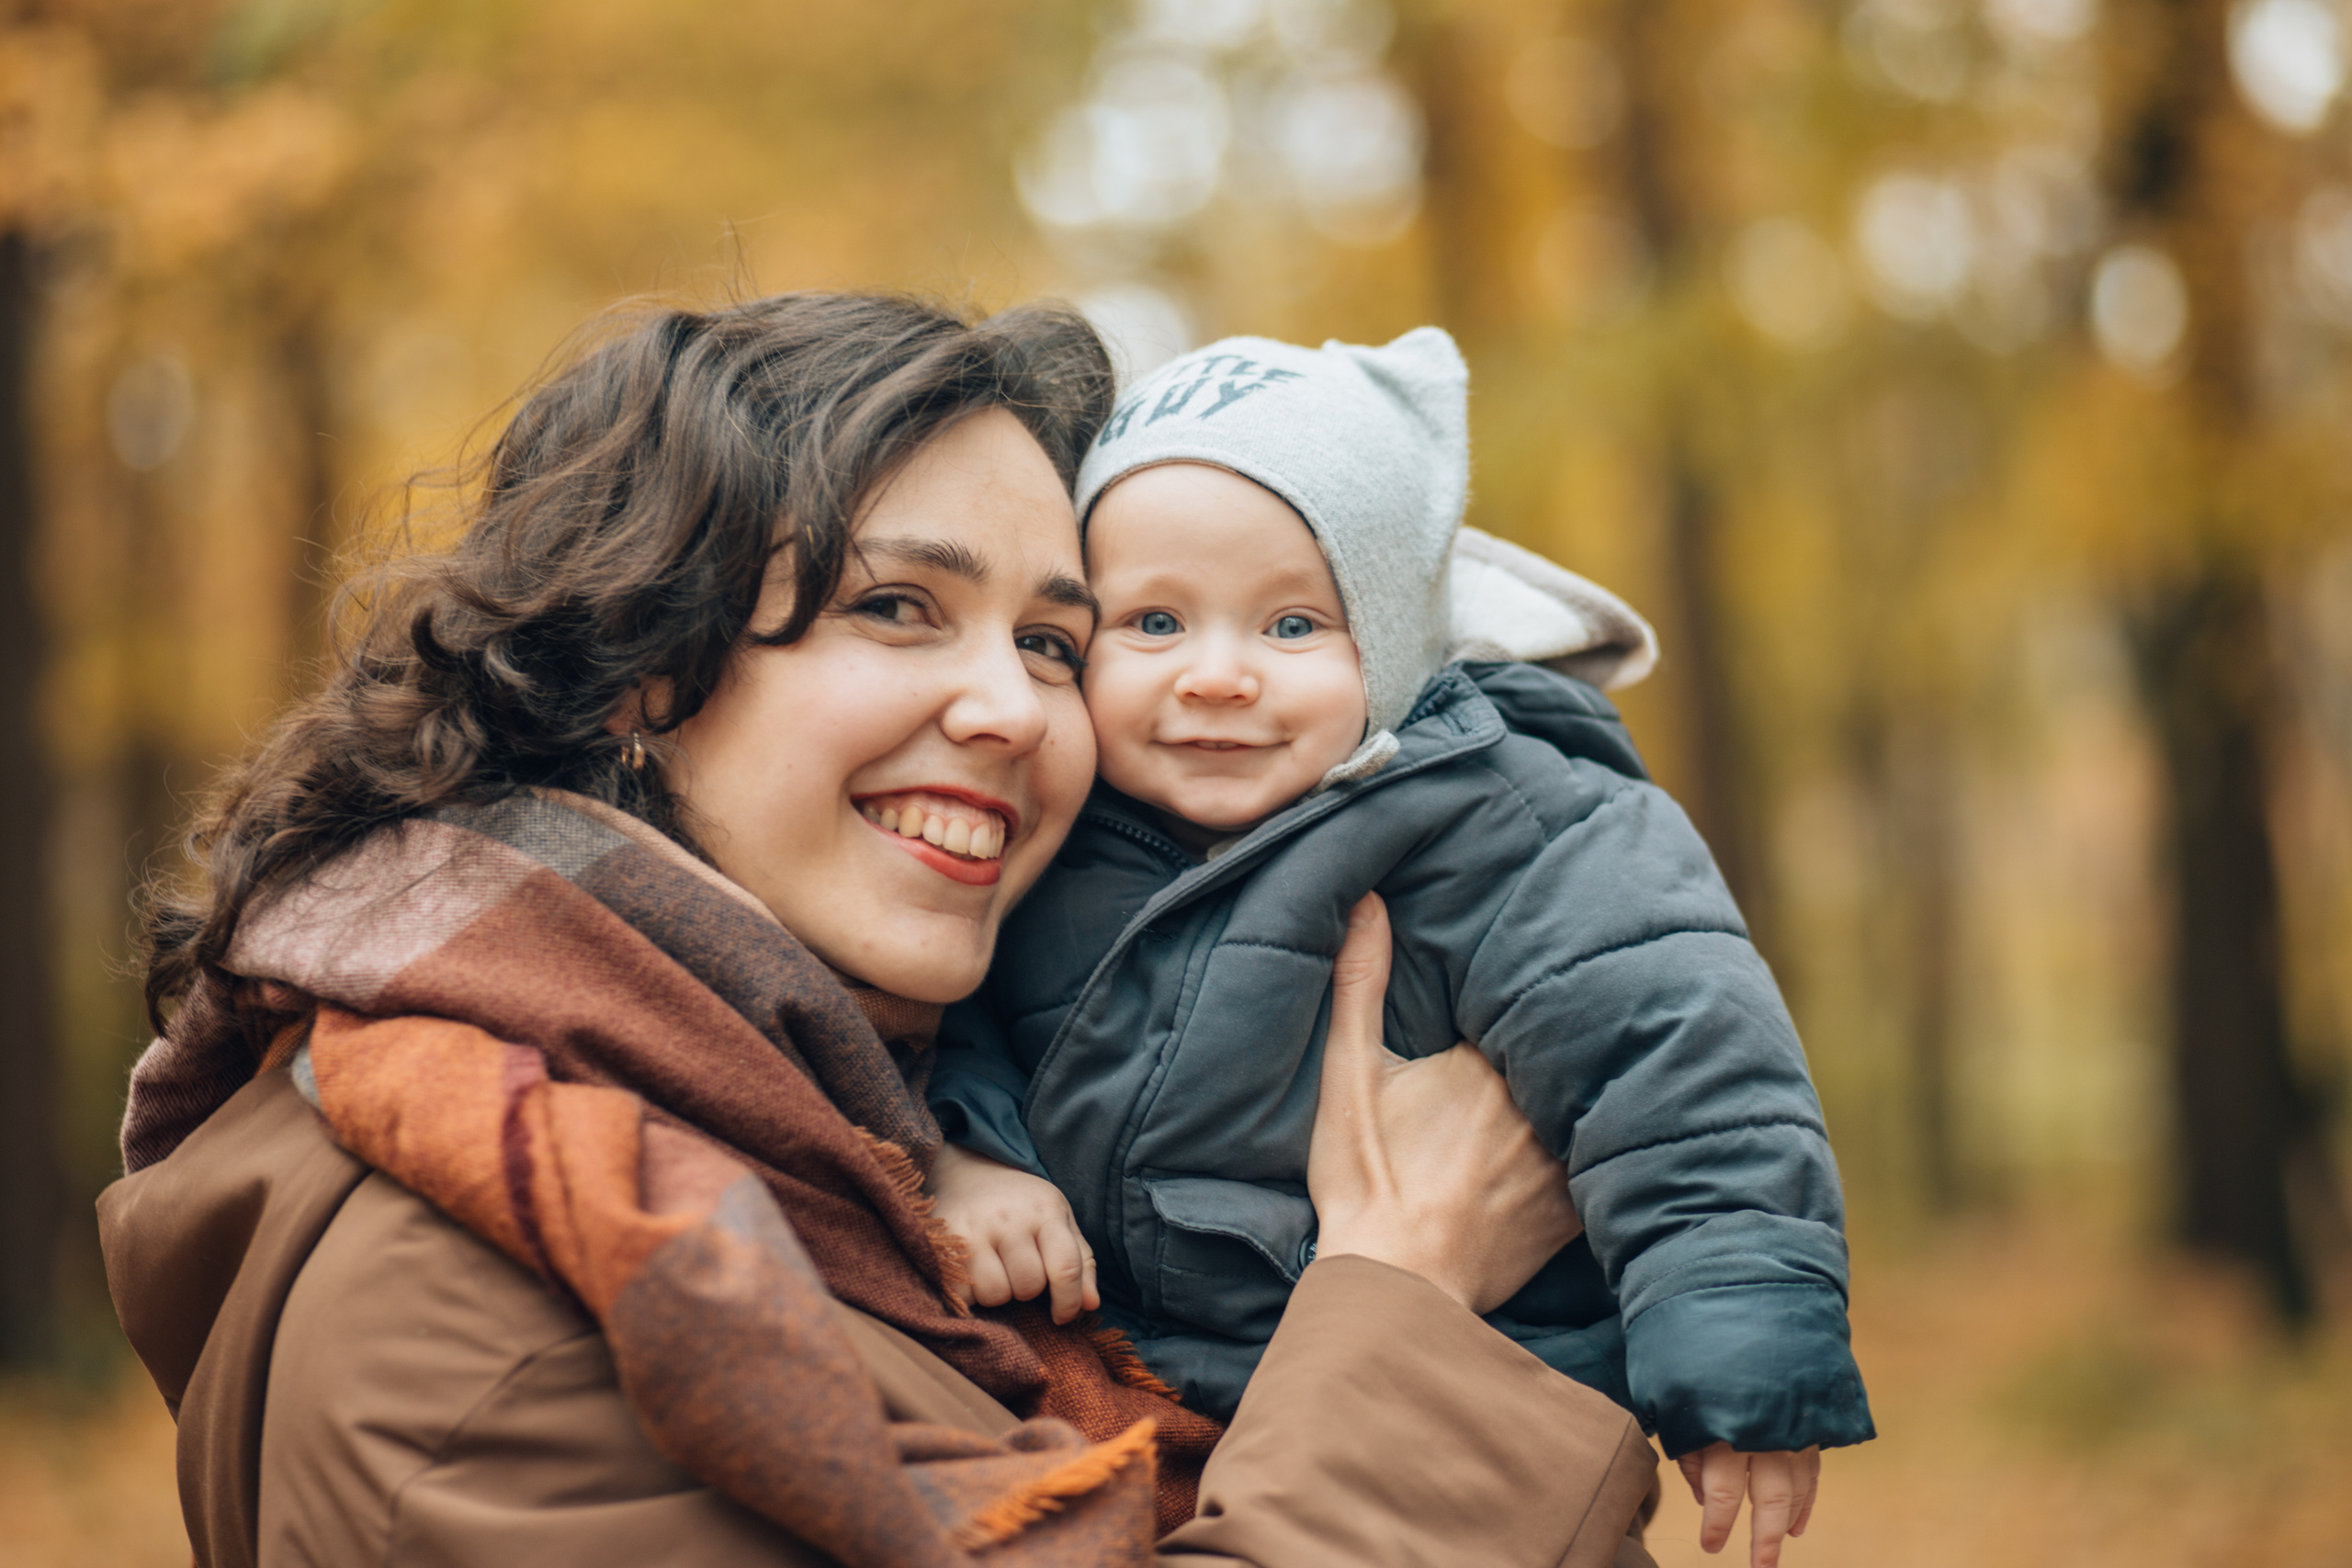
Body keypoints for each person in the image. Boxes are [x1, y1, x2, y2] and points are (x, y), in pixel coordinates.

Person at [97, 294, 1668, 1568]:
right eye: (898, 607)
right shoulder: (465, 1329)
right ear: (645, 664)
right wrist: (1407, 1297)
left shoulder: (858, 1153)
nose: (1010, 710)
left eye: (1055, 641)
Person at [924, 329, 1872, 1568]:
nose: (1217, 677)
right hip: (1187, 1441)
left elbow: (1679, 1056)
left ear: (1396, 640)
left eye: (1291, 625)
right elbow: (956, 1018)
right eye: (1155, 621)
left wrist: (1739, 1331)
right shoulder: (1060, 825)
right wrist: (971, 1154)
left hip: (1484, 1436)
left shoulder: (1512, 819)